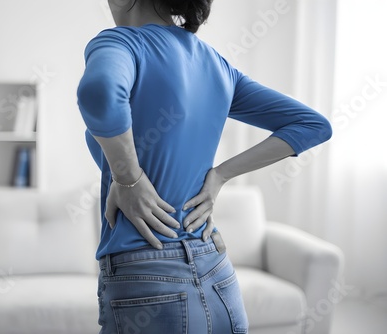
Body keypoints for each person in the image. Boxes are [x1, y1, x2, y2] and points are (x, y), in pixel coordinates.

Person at [77, 0, 332, 333]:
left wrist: (128, 178)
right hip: (217, 274)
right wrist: (220, 175)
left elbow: (99, 93)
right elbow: (312, 125)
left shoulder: (121, 42)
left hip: (147, 275)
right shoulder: (218, 65)